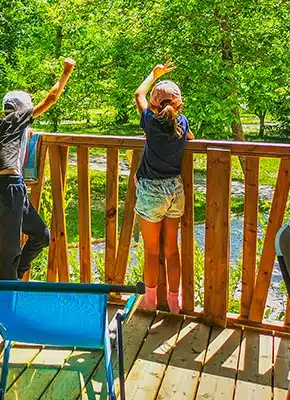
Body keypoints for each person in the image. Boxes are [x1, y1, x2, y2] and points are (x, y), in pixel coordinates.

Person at [0, 58, 76, 280]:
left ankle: (17, 276)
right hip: (10, 188)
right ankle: (8, 297)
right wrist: (66, 72)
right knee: (10, 249)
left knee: (41, 235)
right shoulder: (17, 120)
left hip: (12, 188)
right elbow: (52, 98)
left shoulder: (0, 125)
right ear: (22, 110)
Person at [132, 59, 194, 313]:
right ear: (179, 104)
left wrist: (154, 74)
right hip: (175, 190)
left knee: (151, 251)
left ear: (155, 104)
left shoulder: (150, 120)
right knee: (171, 250)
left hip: (151, 191)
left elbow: (139, 93)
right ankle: (173, 301)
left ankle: (149, 300)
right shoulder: (183, 123)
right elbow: (190, 138)